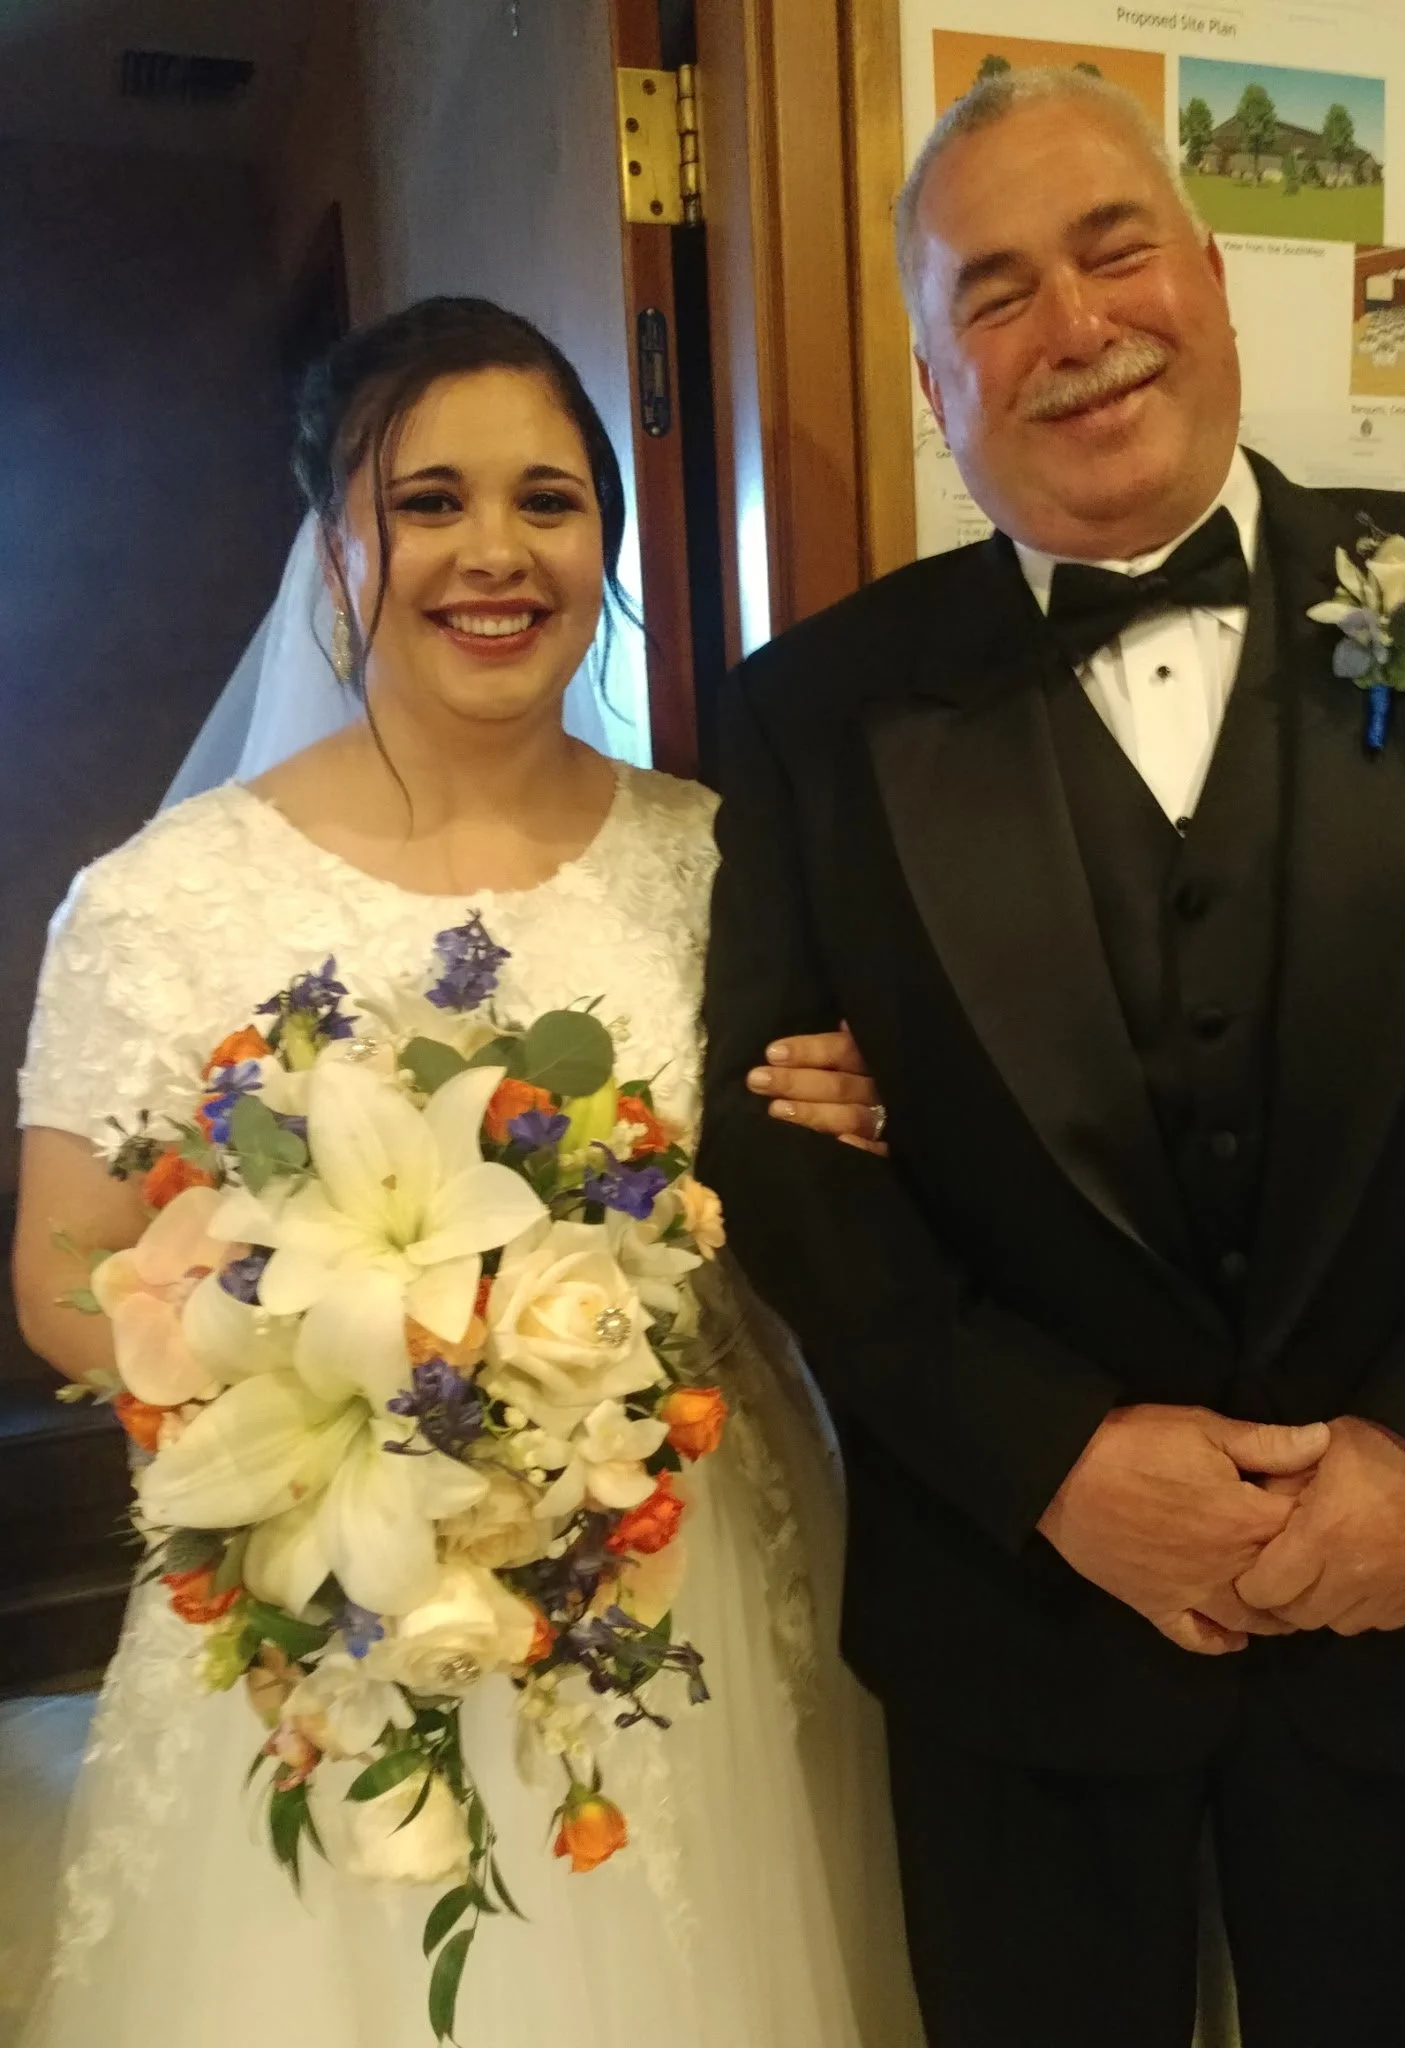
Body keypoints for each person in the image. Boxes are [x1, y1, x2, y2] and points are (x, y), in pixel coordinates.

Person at [700, 64, 1405, 2048]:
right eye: (993, 294)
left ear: (1216, 278)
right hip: (1022, 1629)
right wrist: (1051, 1459)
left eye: (1111, 247)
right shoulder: (809, 712)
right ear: (932, 383)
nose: (1073, 327)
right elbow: (785, 1155)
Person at [12, 296, 924, 2048]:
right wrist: (369, 1374)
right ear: (334, 538)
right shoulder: (161, 898)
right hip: (322, 1581)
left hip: (681, 1571)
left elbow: (804, 1166)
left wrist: (866, 1108)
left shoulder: (719, 860)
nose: (491, 552)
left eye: (548, 500)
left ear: (608, 537)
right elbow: (67, 1280)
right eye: (426, 500)